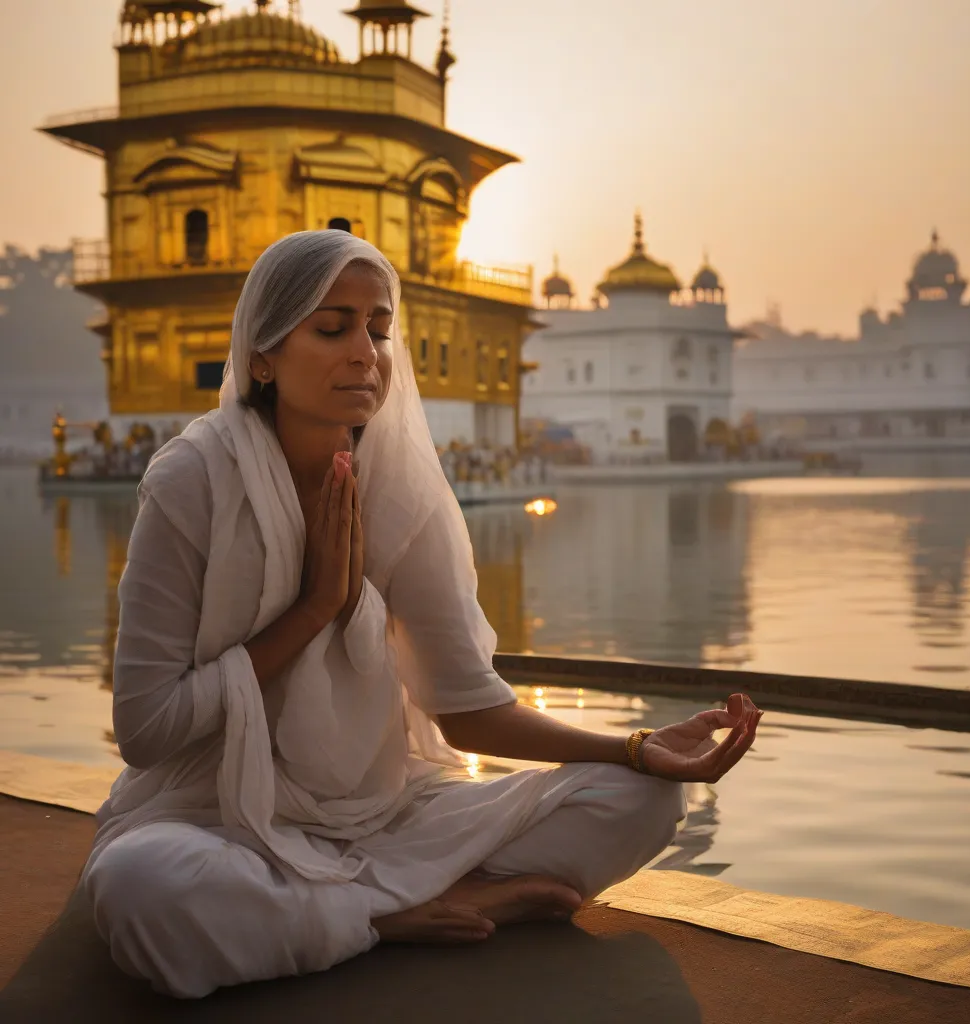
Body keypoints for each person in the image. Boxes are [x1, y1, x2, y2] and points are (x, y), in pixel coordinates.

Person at [82, 231, 763, 1000]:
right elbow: (145, 731)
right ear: (262, 356)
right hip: (212, 811)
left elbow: (468, 712)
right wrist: (314, 611)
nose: (365, 353)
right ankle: (392, 914)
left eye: (378, 329)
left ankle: (339, 911)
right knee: (143, 889)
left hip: (378, 807)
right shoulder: (192, 481)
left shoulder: (397, 487)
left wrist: (636, 749)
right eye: (332, 327)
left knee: (641, 800)